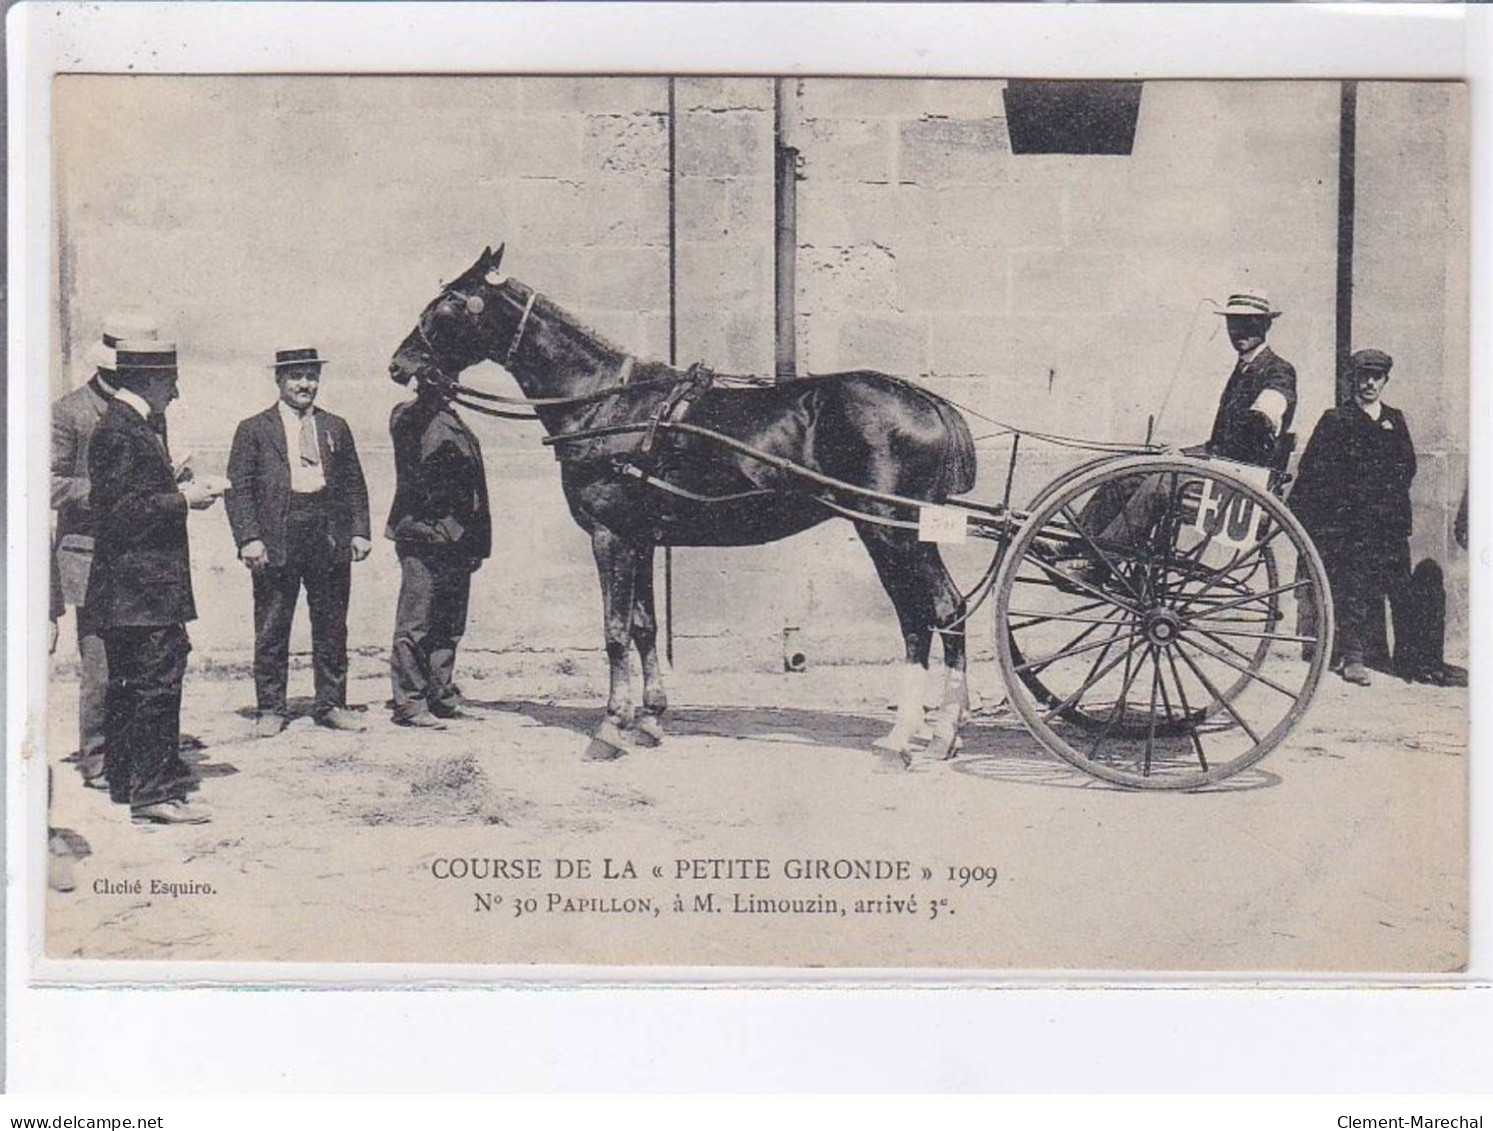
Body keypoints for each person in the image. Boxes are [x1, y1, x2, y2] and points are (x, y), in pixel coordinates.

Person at [85, 341, 225, 823]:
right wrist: (187, 499)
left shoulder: (129, 426)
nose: (176, 390)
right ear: (149, 380)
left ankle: (130, 781)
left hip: (138, 592)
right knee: (154, 688)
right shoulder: (122, 432)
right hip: (140, 592)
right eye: (171, 380)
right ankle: (154, 795)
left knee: (132, 689)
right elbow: (121, 514)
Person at [1078, 291, 1297, 553]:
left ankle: (1101, 562)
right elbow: (1220, 444)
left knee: (1160, 484)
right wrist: (1182, 454)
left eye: (1248, 323)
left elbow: (1264, 417)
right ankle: (1074, 542)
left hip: (1244, 481)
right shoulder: (1243, 368)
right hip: (1222, 469)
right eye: (1233, 323)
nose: (1239, 331)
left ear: (1265, 325)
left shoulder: (1277, 369)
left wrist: (1264, 414)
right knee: (1128, 474)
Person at [225, 348, 372, 736]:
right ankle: (271, 709)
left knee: (331, 625)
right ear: (279, 381)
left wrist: (359, 530)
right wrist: (249, 538)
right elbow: (238, 490)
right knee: (273, 625)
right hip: (278, 536)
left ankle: (332, 704)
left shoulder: (335, 426)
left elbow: (355, 482)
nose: (305, 384)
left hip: (327, 532)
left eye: (311, 376)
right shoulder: (254, 429)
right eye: (296, 377)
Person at [51, 324, 156, 786]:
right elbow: (47, 483)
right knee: (101, 666)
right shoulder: (69, 412)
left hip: (136, 555)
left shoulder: (146, 411)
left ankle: (130, 755)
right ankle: (96, 758)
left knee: (138, 663)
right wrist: (108, 491)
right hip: (88, 556)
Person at [1287, 349, 1416, 687]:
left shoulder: (1394, 419)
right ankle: (1352, 657)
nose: (1369, 383)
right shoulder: (1336, 420)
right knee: (1353, 587)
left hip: (1388, 522)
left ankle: (1406, 658)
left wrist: (1388, 501)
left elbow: (1408, 466)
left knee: (1398, 586)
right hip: (1349, 524)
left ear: (1385, 381)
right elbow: (1313, 470)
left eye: (1376, 377)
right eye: (1363, 377)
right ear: (1352, 380)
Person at [386, 378, 491, 728]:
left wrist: (475, 541)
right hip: (424, 535)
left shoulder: (452, 418)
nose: (451, 386)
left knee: (448, 624)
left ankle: (441, 696)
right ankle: (410, 704)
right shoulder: (409, 416)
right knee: (416, 623)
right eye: (441, 379)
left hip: (458, 538)